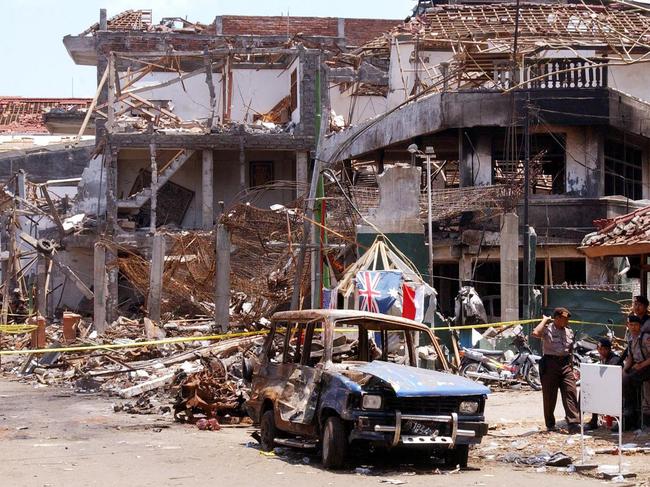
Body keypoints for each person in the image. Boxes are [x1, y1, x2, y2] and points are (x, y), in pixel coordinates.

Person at [532, 307, 581, 433]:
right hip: (550, 364)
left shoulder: (569, 331)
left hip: (565, 365)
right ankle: (550, 424)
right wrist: (545, 320)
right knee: (549, 396)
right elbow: (535, 333)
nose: (567, 321)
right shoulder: (548, 329)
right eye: (564, 319)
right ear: (557, 318)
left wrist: (571, 368)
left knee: (571, 392)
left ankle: (574, 423)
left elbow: (570, 351)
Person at [585, 338, 622, 430]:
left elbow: (609, 376)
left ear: (609, 349)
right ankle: (592, 420)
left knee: (595, 393)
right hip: (606, 387)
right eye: (600, 349)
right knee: (587, 391)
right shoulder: (603, 358)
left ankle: (594, 421)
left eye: (604, 349)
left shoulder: (614, 359)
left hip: (615, 390)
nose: (602, 351)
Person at [623, 314, 650, 429]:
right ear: (628, 326)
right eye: (631, 325)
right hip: (638, 366)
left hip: (647, 365)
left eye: (636, 325)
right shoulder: (630, 338)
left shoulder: (645, 337)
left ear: (640, 326)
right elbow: (630, 357)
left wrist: (641, 365)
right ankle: (629, 409)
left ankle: (631, 407)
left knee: (629, 379)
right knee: (623, 378)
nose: (633, 327)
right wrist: (624, 370)